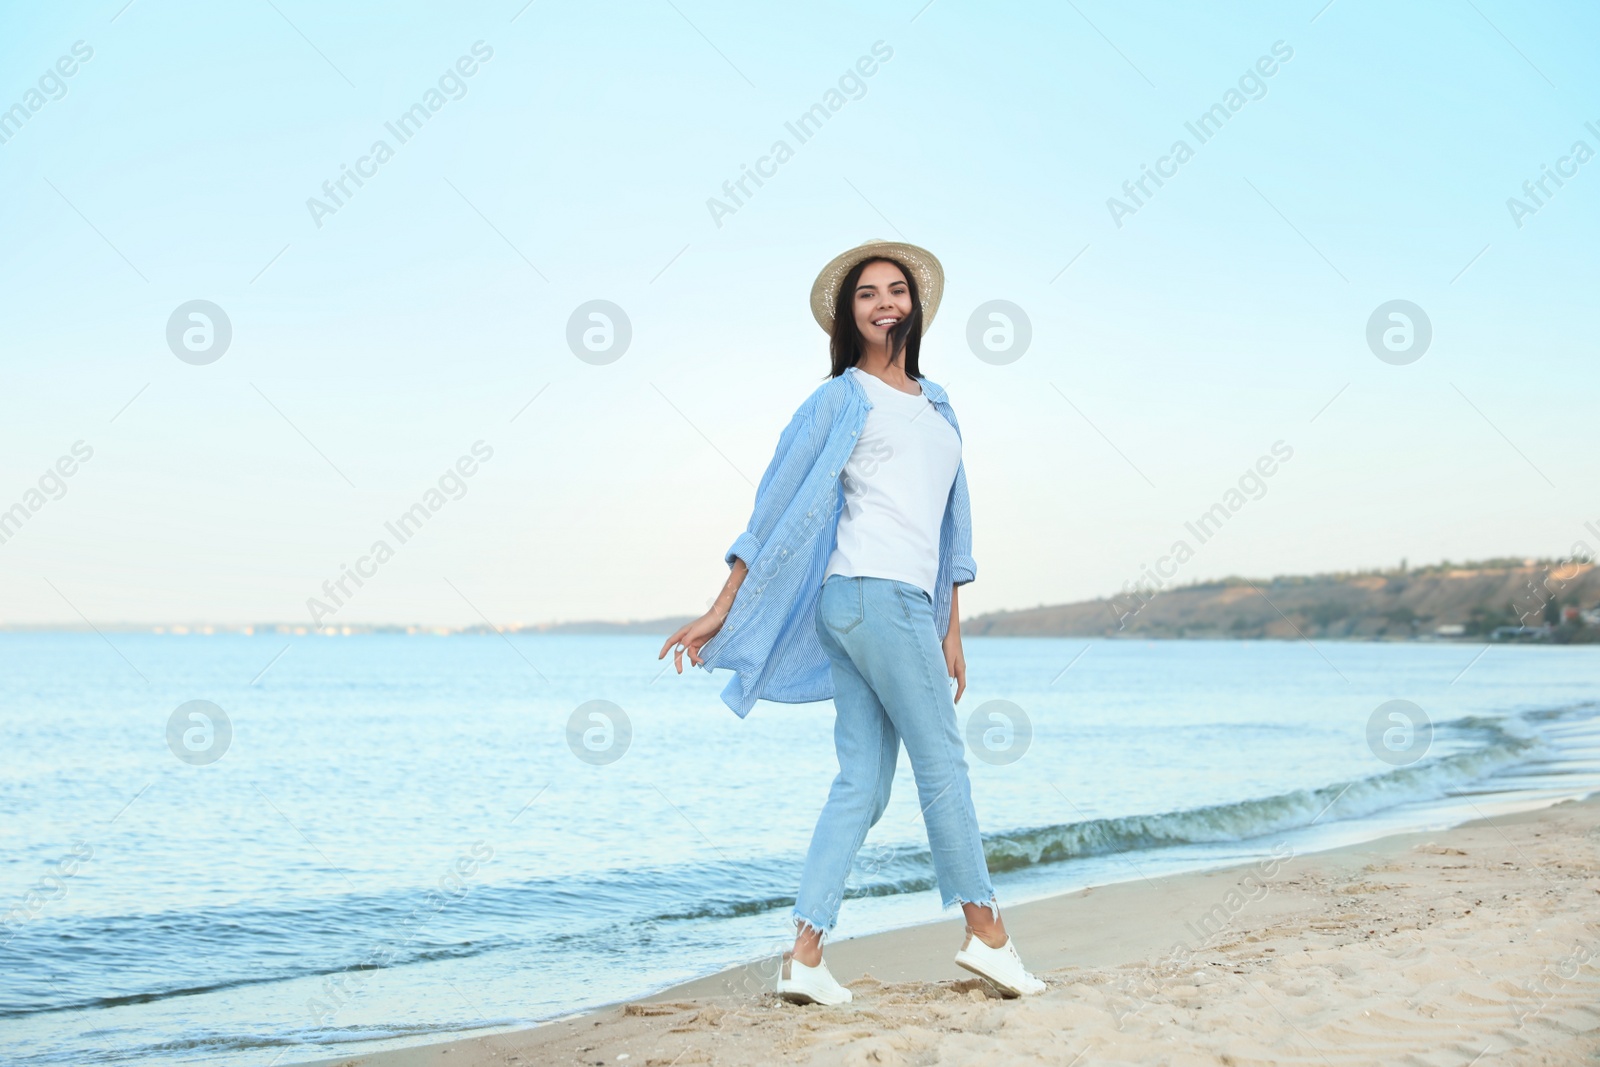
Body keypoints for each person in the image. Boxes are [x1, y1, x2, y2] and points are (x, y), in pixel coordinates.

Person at [659, 240, 1045, 1006]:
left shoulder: (938, 404)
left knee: (862, 782)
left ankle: (804, 953)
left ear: (915, 306)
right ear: (850, 314)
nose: (883, 303)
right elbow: (776, 497)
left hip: (899, 603)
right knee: (943, 762)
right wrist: (724, 600)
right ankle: (986, 934)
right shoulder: (840, 399)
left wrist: (951, 626)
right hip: (867, 594)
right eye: (867, 294)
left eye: (895, 290)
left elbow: (948, 528)